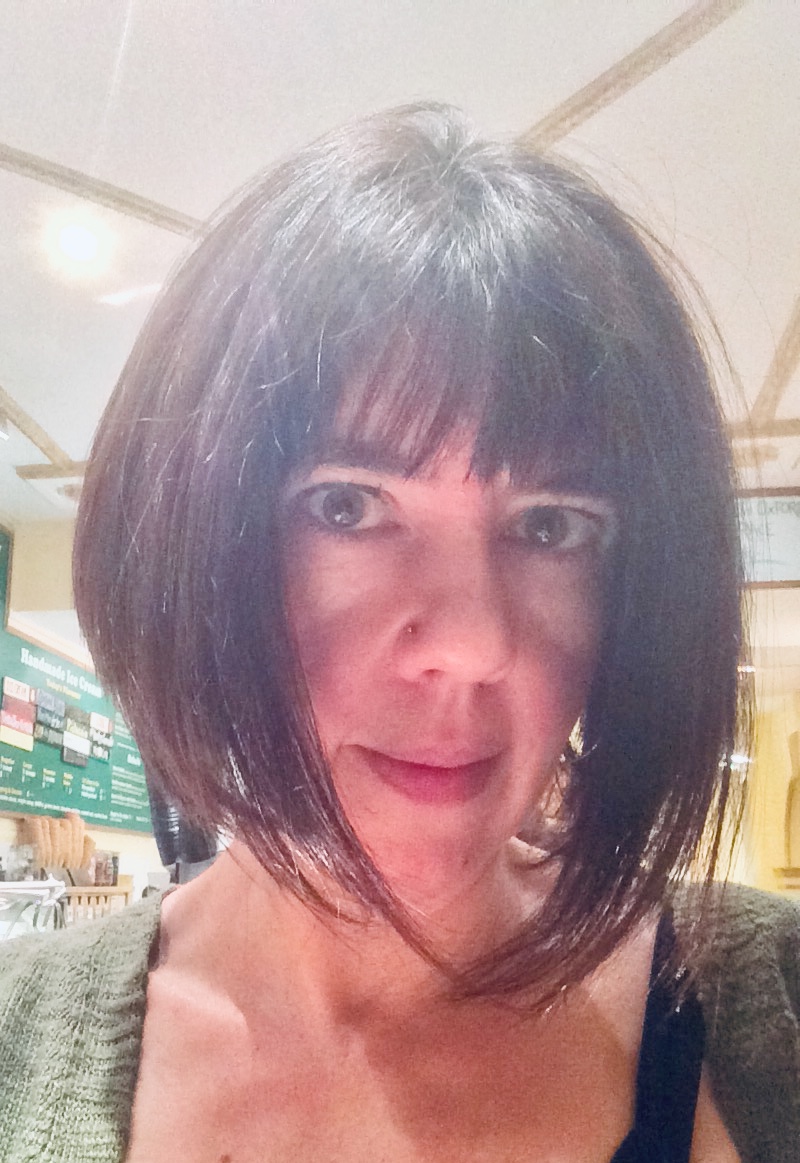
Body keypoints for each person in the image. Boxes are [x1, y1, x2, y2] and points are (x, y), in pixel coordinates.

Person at [1, 103, 798, 1163]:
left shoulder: (769, 1014)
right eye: (347, 505)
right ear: (198, 546)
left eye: (551, 526)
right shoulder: (19, 1038)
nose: (470, 643)